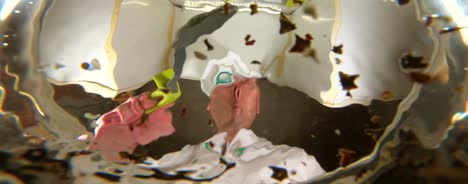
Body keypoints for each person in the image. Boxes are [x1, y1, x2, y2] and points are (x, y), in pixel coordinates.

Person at [90, 52, 325, 183]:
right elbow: (100, 174)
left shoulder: (295, 162)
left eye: (246, 81)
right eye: (224, 80)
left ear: (257, 104)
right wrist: (120, 131)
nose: (237, 89)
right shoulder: (175, 163)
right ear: (210, 106)